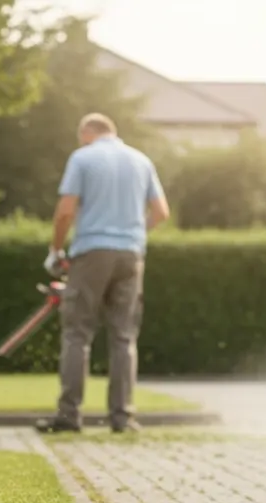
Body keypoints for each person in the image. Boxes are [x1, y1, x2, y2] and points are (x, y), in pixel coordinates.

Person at [37, 113, 169, 434]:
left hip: (92, 251)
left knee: (77, 333)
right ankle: (123, 418)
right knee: (124, 336)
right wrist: (135, 234)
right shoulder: (142, 161)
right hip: (131, 254)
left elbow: (66, 211)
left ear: (87, 131)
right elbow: (161, 212)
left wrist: (56, 251)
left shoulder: (83, 158)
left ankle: (69, 416)